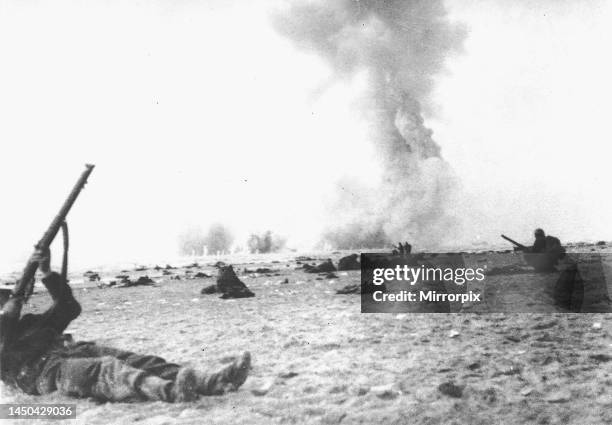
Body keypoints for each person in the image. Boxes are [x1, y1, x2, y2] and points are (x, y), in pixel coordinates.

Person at [0, 249, 251, 402]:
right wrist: (12, 307)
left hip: (70, 353)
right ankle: (172, 392)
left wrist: (46, 272)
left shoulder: (30, 324)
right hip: (43, 375)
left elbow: (68, 307)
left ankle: (212, 382)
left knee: (141, 361)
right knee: (107, 370)